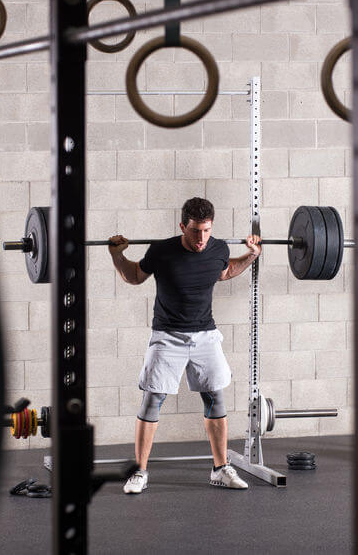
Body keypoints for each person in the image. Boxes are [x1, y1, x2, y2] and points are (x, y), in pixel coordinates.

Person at [108, 197, 261, 494]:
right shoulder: (162, 251)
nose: (201, 238)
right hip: (167, 336)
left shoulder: (218, 248)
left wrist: (251, 256)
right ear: (182, 226)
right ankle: (139, 472)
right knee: (153, 399)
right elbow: (135, 276)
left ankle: (220, 469)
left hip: (205, 334)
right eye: (195, 231)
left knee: (215, 397)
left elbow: (225, 271)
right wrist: (117, 255)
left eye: (206, 231)